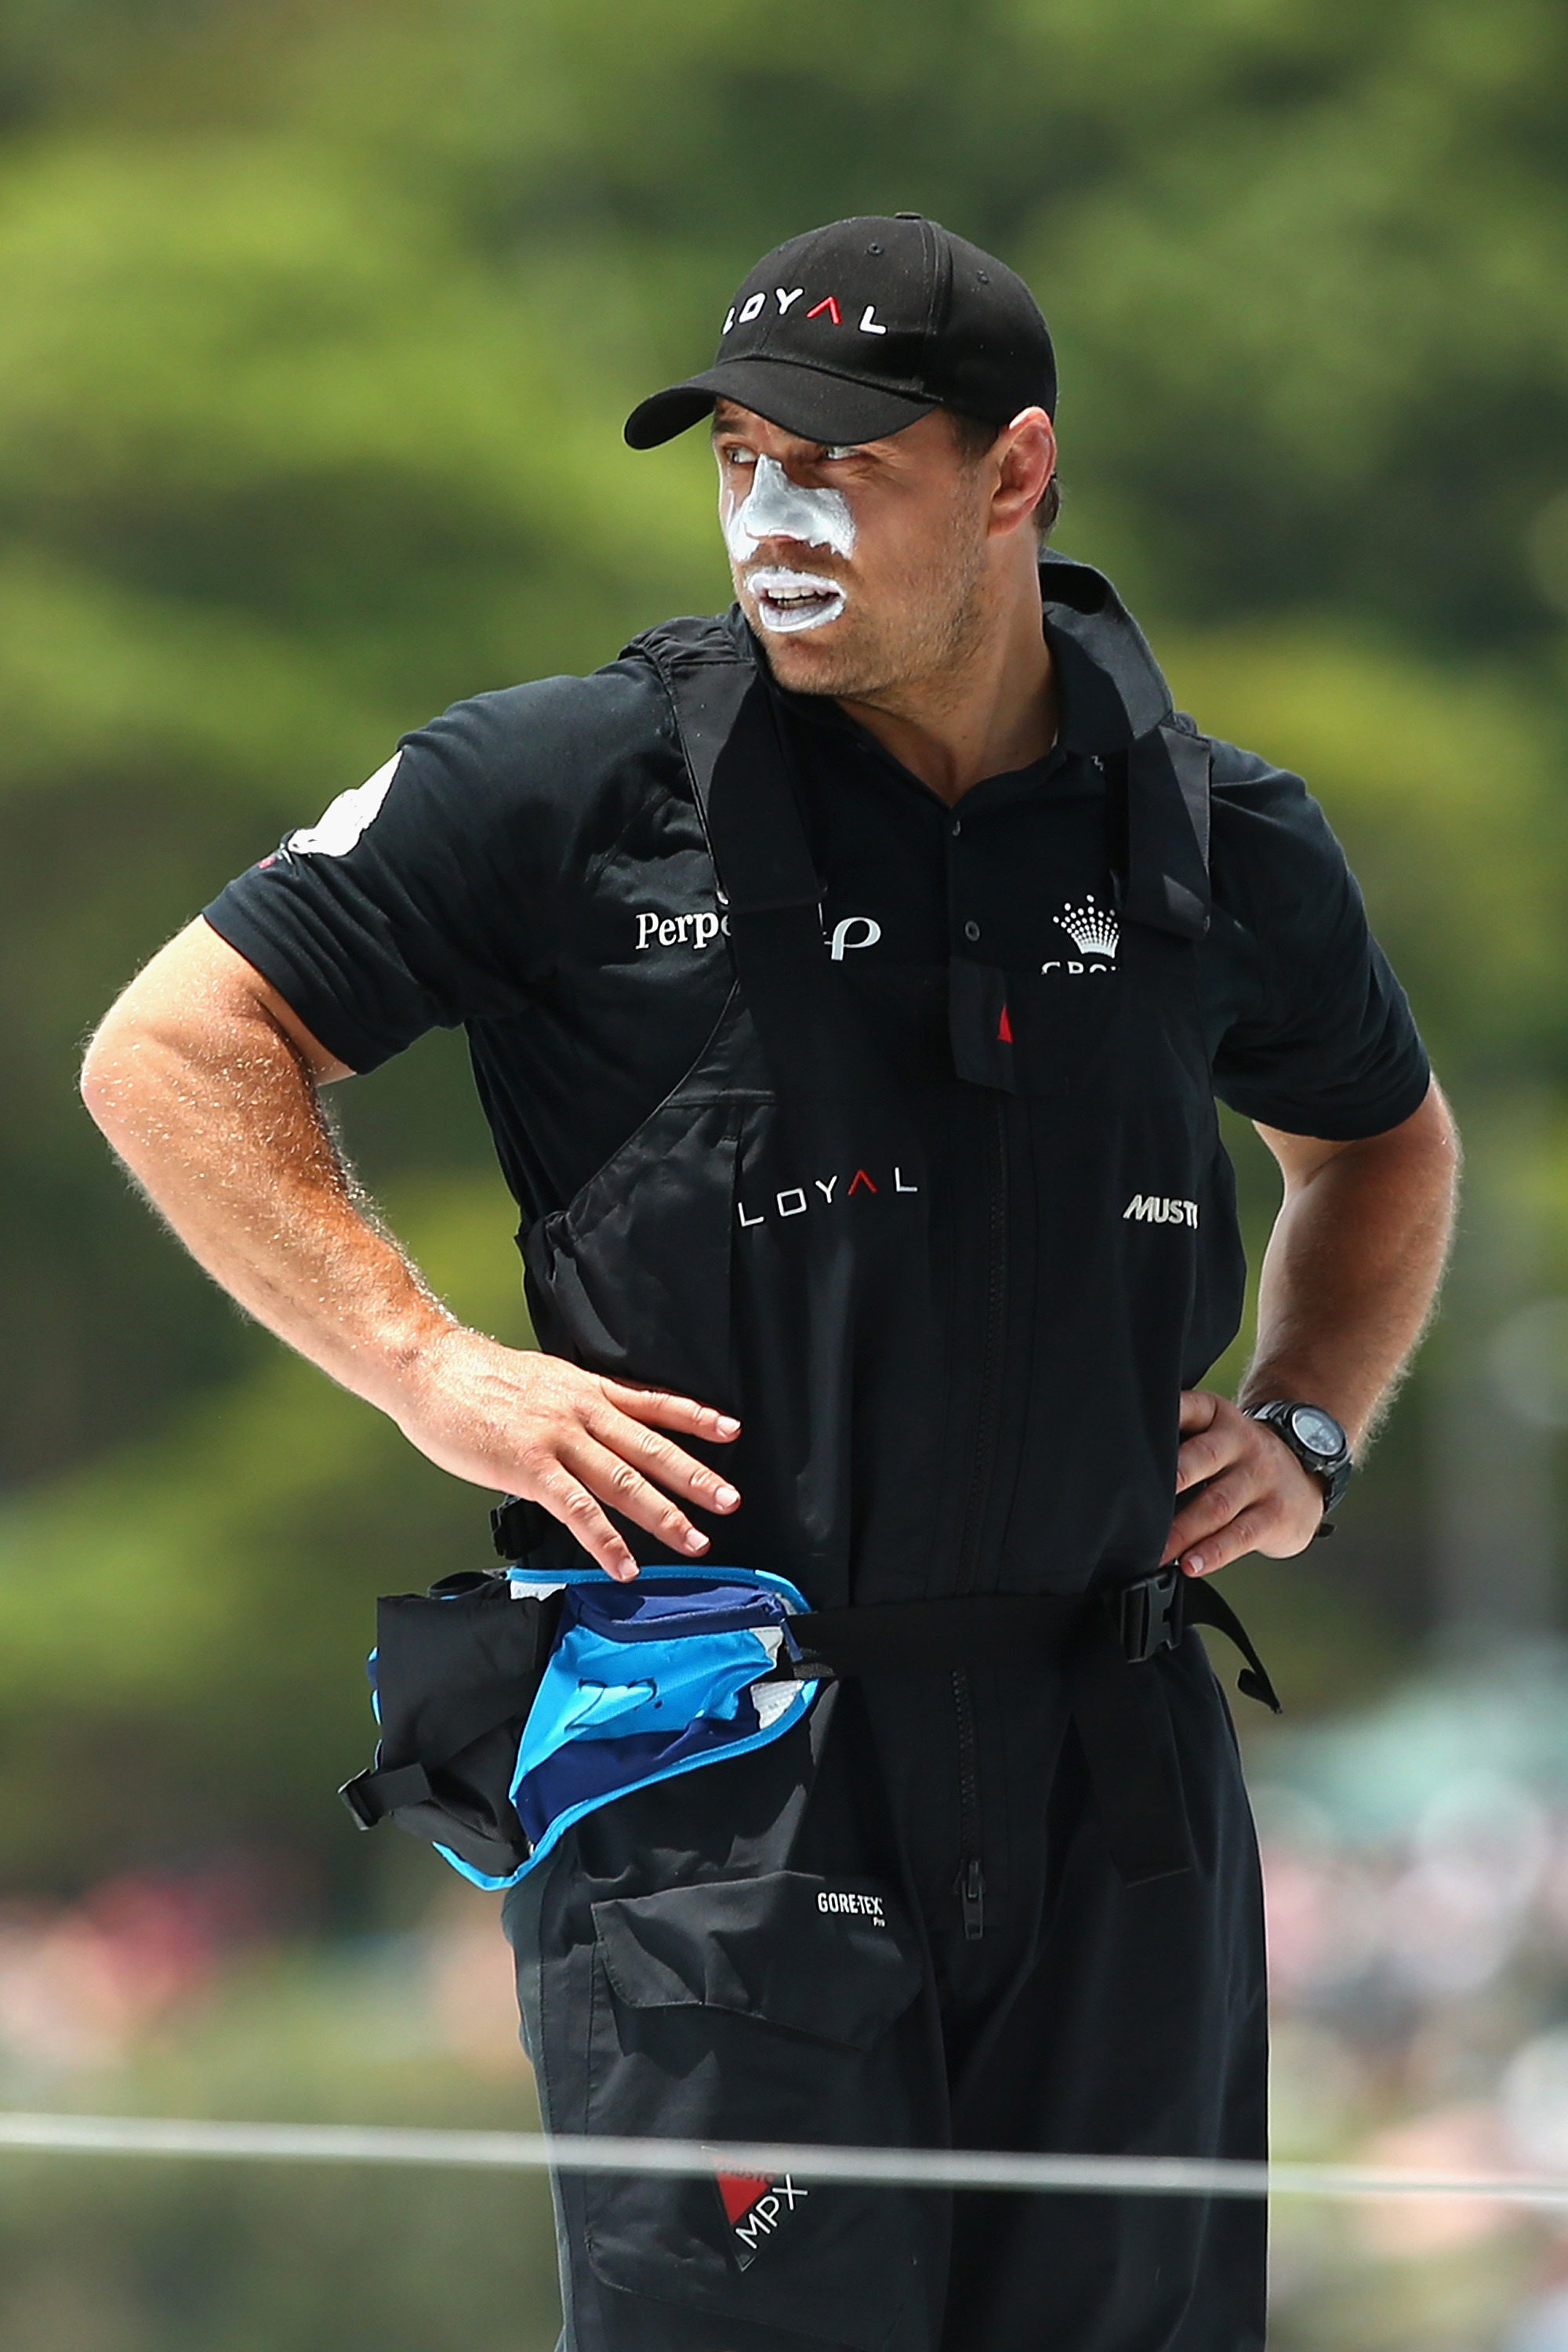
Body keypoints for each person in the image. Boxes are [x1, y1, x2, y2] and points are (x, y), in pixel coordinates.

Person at [81, 212, 1457, 2352]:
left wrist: (1305, 1426)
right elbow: (173, 1046)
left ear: (1016, 474)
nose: (774, 522)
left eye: (841, 467)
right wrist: (429, 1368)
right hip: (716, 1772)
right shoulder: (562, 782)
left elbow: (1379, 1136)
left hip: (1116, 1783)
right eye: (738, 459)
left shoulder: (1219, 838)